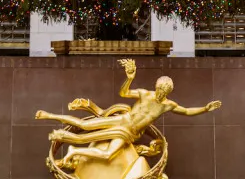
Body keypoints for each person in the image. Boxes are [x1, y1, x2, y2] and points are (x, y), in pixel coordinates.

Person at [36, 59, 220, 169]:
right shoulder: (145, 94)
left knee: (108, 154)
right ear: (156, 87)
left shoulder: (167, 105)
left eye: (164, 91)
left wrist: (205, 108)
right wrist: (129, 78)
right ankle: (49, 115)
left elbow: (186, 111)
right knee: (83, 125)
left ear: (168, 92)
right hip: (122, 120)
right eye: (159, 89)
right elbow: (124, 93)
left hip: (129, 133)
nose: (160, 93)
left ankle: (74, 151)